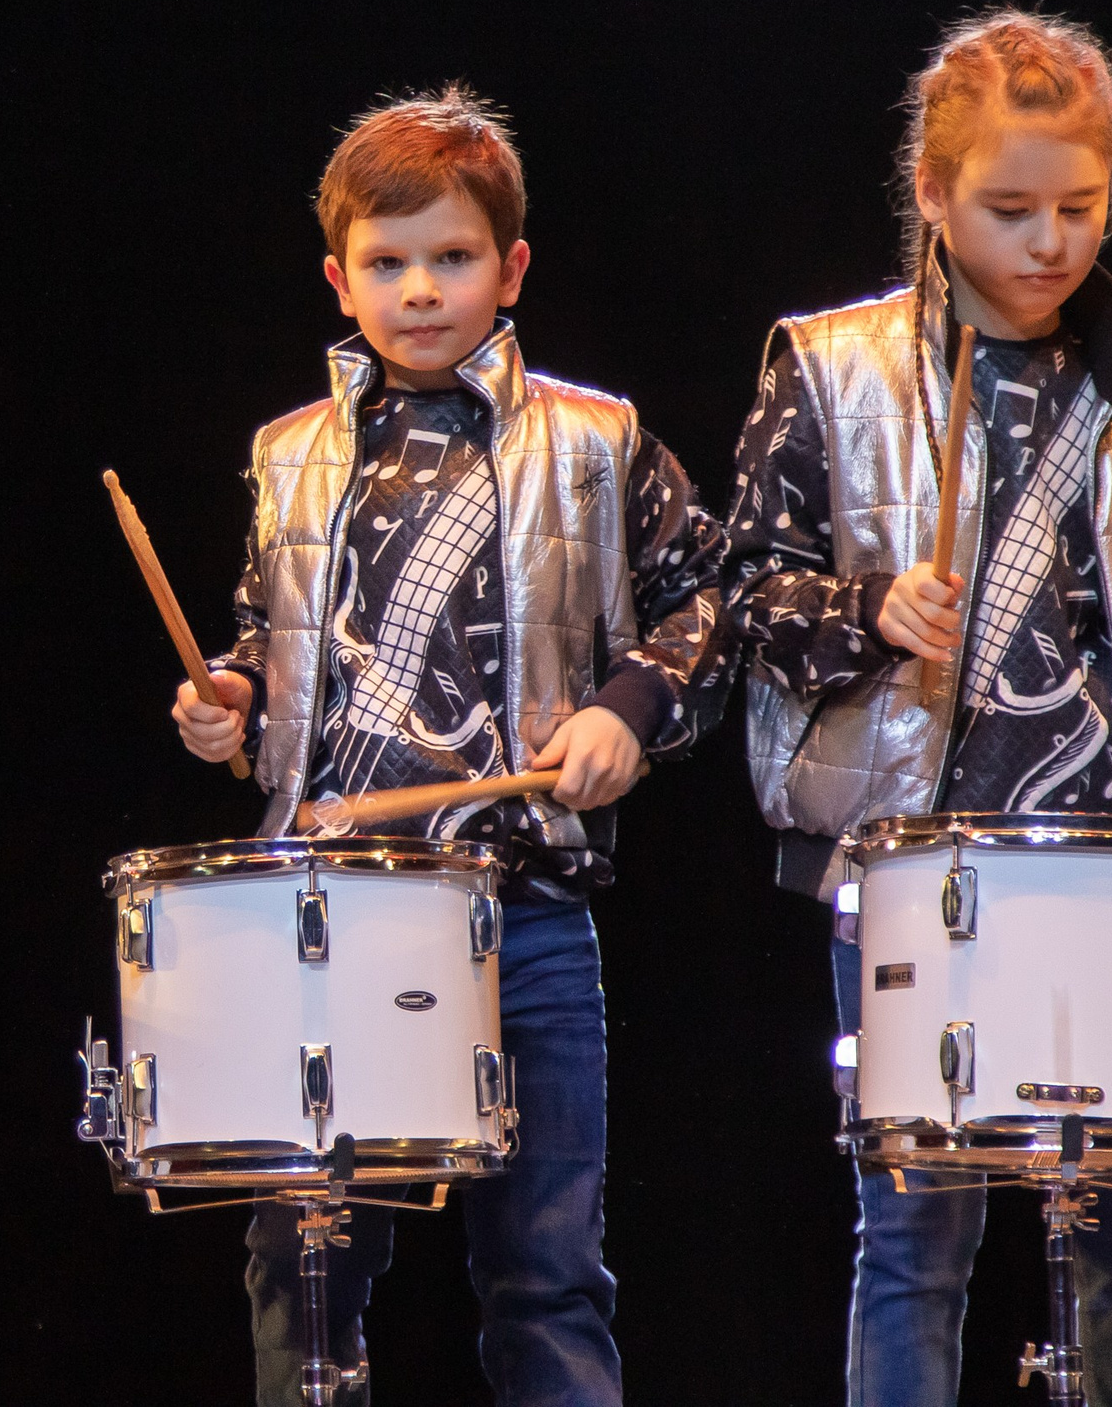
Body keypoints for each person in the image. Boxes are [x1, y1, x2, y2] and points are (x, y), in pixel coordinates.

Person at [170, 86, 734, 1407]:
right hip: (328, 912)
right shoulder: (289, 455)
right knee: (306, 1260)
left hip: (525, 912)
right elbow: (263, 630)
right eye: (387, 263)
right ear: (339, 279)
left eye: (453, 257)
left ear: (512, 267)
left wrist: (627, 709)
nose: (420, 289)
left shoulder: (596, 442)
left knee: (549, 1272)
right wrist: (229, 697)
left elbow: (714, 600)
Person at [722, 11, 1112, 1407]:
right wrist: (869, 607)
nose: (1051, 242)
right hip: (912, 857)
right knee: (915, 1234)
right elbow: (744, 593)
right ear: (933, 194)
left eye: (1080, 206)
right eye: (1011, 210)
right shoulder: (828, 365)